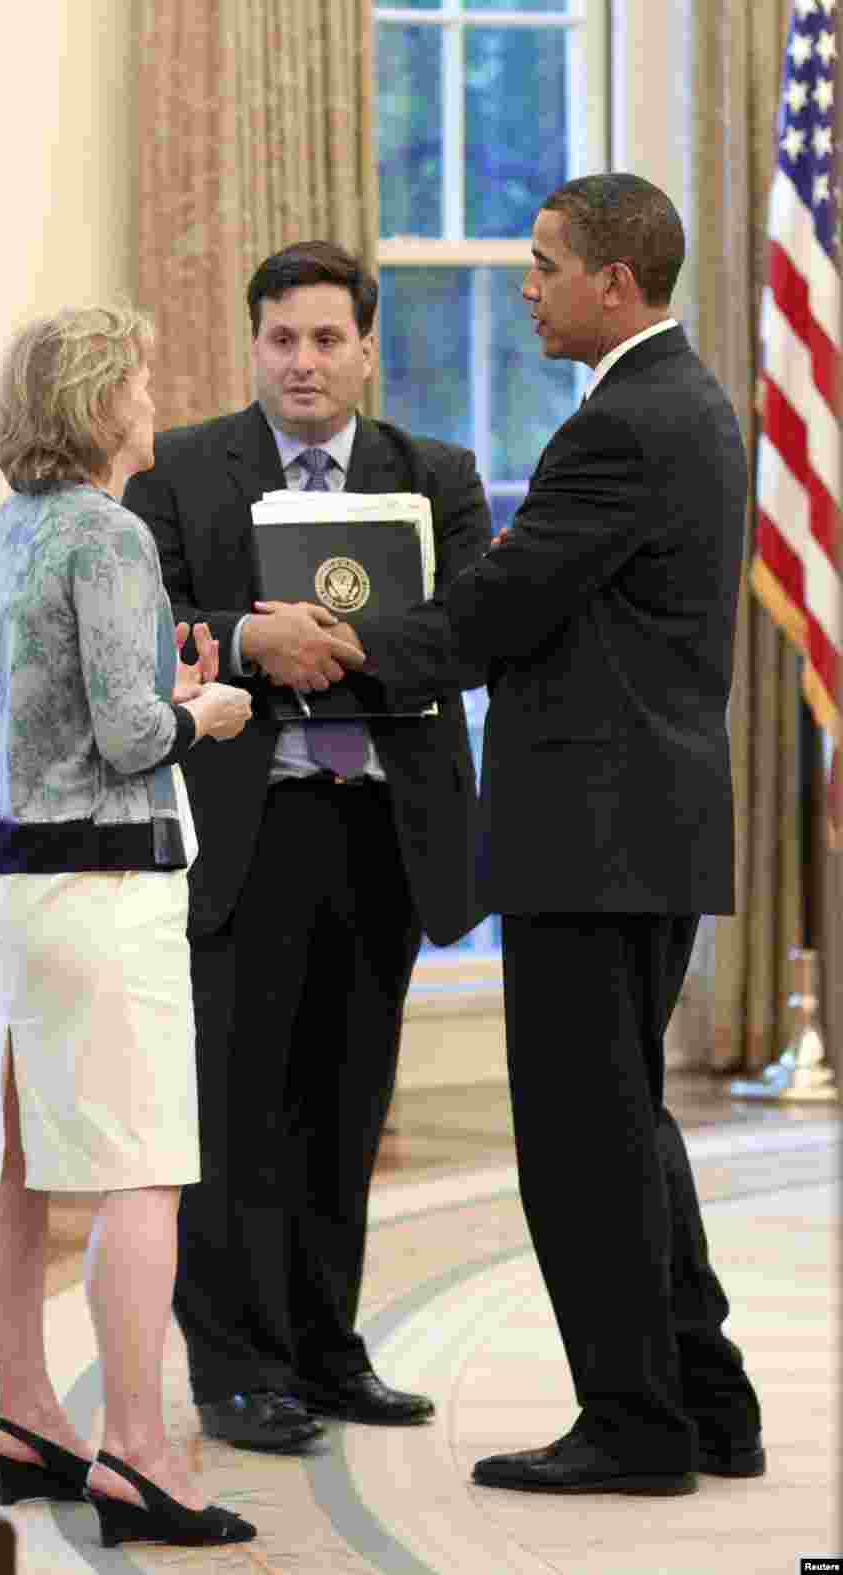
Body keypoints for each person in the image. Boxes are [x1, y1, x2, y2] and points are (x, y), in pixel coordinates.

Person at [123, 240, 491, 1451]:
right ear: (252, 344)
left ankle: (328, 1352)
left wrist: (346, 641)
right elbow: (141, 626)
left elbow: (470, 634)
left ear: (367, 349)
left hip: (383, 827)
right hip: (247, 825)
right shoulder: (181, 470)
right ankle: (235, 1370)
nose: (303, 361)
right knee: (235, 1113)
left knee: (345, 1105)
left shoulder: (433, 474)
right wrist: (243, 637)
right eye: (281, 338)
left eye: (328, 339)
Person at [445, 174, 764, 1496]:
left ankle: (632, 1423)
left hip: (594, 830)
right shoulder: (686, 402)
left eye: (543, 262)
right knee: (629, 1119)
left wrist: (334, 644)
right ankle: (706, 1397)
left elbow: (502, 608)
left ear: (612, 282)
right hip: (642, 821)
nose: (527, 283)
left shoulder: (626, 424)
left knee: (583, 1136)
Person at [0, 305, 256, 1548]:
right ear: (100, 404)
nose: (154, 389)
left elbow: (50, 712)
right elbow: (133, 737)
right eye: (139, 373)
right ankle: (138, 1451)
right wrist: (211, 711)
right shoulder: (113, 533)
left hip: (7, 885)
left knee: (14, 1150)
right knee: (142, 1170)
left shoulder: (7, 532)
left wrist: (154, 699)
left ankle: (28, 1415)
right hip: (103, 887)